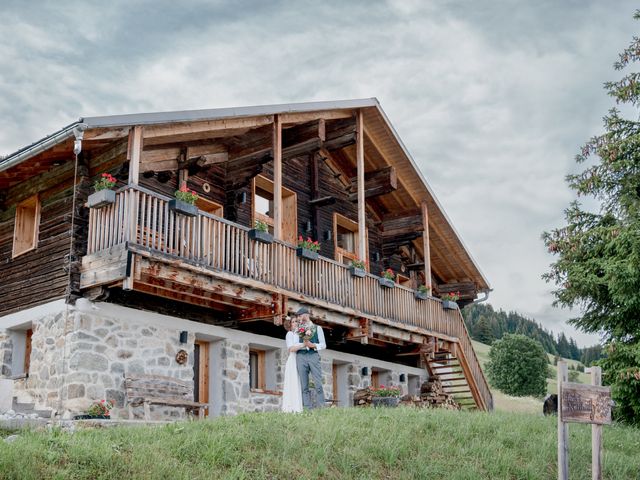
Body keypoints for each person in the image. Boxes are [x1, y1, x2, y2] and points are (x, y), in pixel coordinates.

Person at [295, 307, 326, 409]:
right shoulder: (297, 329)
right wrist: (303, 345)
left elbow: (323, 345)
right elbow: (295, 343)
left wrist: (313, 345)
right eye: (298, 316)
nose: (298, 318)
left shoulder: (317, 328)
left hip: (313, 355)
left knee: (318, 384)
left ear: (306, 315)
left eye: (300, 315)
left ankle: (322, 407)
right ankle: (307, 409)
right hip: (300, 356)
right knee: (304, 385)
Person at [281, 317, 304, 413]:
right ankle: (290, 407)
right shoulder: (289, 334)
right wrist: (304, 345)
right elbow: (291, 349)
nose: (295, 323)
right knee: (293, 381)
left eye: (296, 322)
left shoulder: (299, 334)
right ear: (289, 324)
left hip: (299, 358)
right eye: (293, 322)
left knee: (298, 381)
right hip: (293, 359)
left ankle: (298, 407)